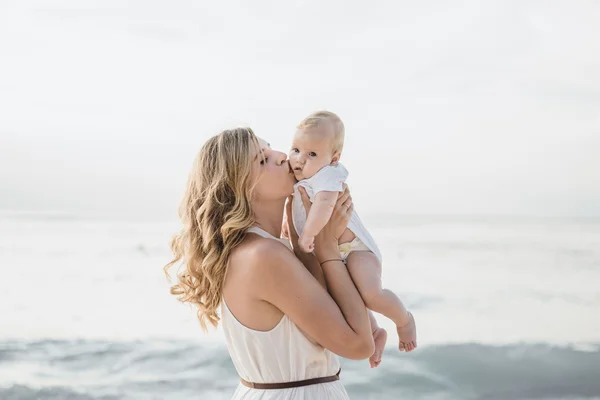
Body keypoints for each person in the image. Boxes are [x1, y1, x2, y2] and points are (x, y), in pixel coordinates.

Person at [165, 127, 375, 399]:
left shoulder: (262, 249)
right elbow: (358, 345)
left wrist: (306, 239)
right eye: (262, 160)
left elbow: (326, 327)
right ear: (239, 187)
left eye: (271, 148)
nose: (281, 156)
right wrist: (327, 249)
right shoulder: (264, 256)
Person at [287, 111, 417, 358]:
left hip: (356, 249)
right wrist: (289, 226)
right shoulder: (300, 178)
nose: (300, 159)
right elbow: (299, 210)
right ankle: (375, 332)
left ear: (334, 158)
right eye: (295, 149)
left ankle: (404, 320)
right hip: (335, 249)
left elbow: (324, 206)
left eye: (312, 154)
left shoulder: (328, 175)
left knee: (370, 294)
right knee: (345, 295)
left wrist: (307, 235)